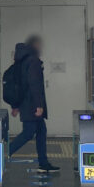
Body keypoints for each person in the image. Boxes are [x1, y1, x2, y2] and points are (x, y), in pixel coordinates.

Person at [8, 35, 59, 171]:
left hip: (25, 104)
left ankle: (44, 163)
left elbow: (19, 85)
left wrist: (16, 105)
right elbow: (34, 84)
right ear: (34, 46)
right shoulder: (33, 61)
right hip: (32, 105)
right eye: (39, 45)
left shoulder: (21, 61)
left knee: (41, 131)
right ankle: (3, 153)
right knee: (28, 133)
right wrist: (39, 105)